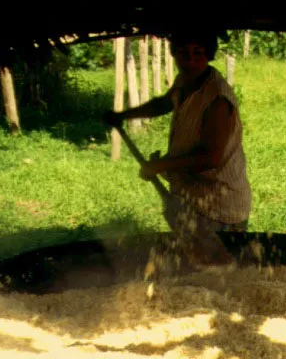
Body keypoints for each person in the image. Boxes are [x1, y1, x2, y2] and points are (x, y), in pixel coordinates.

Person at [106, 28, 251, 244]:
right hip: (193, 197)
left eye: (198, 53)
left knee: (220, 270)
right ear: (174, 53)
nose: (190, 60)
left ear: (209, 55)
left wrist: (162, 165)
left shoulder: (218, 100)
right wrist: (124, 115)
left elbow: (211, 158)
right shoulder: (186, 81)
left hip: (220, 207)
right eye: (183, 52)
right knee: (195, 267)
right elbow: (164, 103)